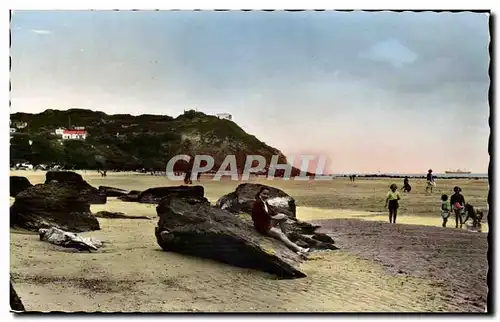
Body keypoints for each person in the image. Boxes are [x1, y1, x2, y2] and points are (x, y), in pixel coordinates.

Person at [252, 187, 309, 255]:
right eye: (264, 194)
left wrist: (283, 216)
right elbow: (263, 216)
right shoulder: (257, 204)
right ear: (260, 193)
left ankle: (286, 238)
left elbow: (272, 211)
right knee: (280, 234)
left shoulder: (264, 202)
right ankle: (299, 249)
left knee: (283, 217)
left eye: (267, 194)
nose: (266, 196)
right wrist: (274, 217)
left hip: (266, 223)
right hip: (262, 226)